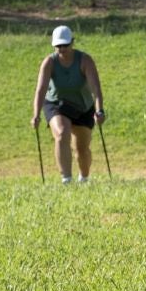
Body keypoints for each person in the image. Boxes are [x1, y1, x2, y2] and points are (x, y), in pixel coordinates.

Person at [30, 25, 107, 184]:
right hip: (56, 103)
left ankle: (84, 178)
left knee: (82, 151)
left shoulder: (85, 60)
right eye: (58, 46)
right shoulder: (49, 62)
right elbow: (41, 90)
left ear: (72, 42)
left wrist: (99, 111)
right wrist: (36, 115)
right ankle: (66, 180)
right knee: (61, 133)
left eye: (65, 45)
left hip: (82, 107)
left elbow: (96, 90)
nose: (62, 49)